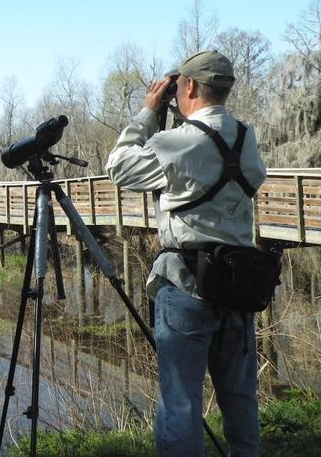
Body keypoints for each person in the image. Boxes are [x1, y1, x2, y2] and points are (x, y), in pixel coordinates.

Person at [106, 50, 266, 457]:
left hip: (187, 285)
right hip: (240, 285)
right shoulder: (246, 138)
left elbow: (119, 167)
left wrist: (147, 113)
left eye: (178, 87)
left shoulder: (176, 142)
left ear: (191, 86)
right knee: (241, 398)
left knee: (180, 402)